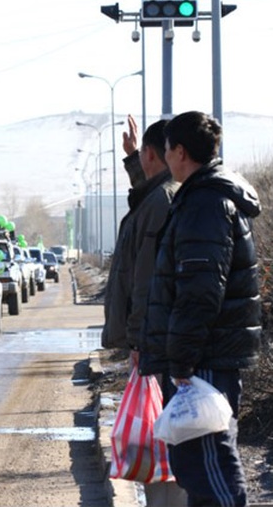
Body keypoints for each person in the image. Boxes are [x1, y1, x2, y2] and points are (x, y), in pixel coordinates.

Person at [144, 111, 261, 507]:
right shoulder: (202, 197)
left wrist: (181, 362)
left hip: (204, 358)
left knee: (211, 470)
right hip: (204, 355)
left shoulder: (205, 203)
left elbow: (199, 292)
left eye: (166, 150)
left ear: (179, 152)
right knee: (196, 467)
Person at [102, 115, 187, 506]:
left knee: (169, 435)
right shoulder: (159, 196)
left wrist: (138, 339)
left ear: (160, 153)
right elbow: (148, 191)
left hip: (158, 342)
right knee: (165, 432)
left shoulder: (162, 201)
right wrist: (134, 157)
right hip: (159, 338)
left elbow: (146, 280)